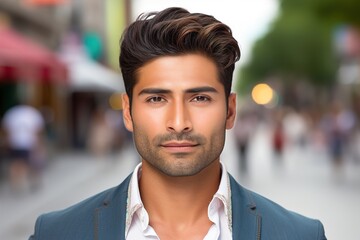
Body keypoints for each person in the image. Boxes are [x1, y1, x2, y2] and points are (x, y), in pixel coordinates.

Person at [29, 7, 327, 240]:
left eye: (199, 98)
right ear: (128, 112)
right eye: (157, 99)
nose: (179, 123)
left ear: (230, 111)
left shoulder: (301, 235)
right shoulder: (55, 233)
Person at [2, 103, 45, 192]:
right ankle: (30, 182)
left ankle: (16, 183)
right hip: (28, 142)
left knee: (16, 163)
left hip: (14, 142)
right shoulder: (32, 113)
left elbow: (6, 129)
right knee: (29, 163)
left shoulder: (11, 113)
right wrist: (39, 144)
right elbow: (37, 130)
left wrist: (7, 142)